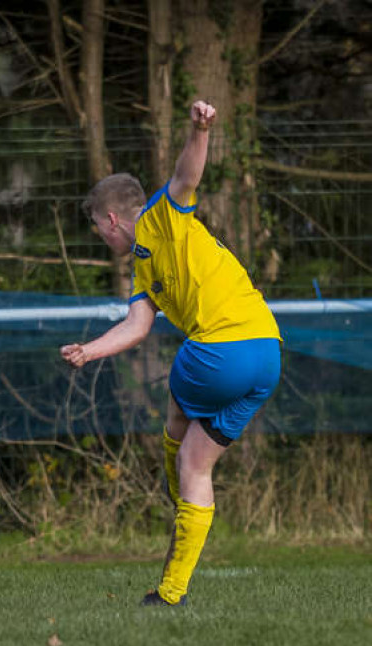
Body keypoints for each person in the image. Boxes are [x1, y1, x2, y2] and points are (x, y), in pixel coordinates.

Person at [60, 100, 281, 606]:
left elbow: (186, 177)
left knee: (179, 412)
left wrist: (199, 129)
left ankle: (174, 494)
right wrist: (89, 352)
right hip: (267, 354)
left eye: (97, 226)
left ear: (112, 219)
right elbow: (137, 326)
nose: (100, 235)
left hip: (222, 349)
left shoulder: (161, 216)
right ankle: (171, 591)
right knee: (197, 465)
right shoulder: (143, 268)